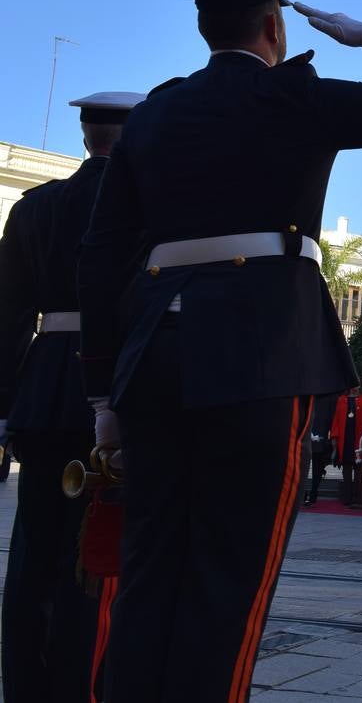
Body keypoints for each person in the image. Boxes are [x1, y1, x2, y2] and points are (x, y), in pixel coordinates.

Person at [75, 0, 362, 701]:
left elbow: (100, 259)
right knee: (232, 574)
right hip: (260, 352)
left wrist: (103, 395)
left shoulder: (156, 112)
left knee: (149, 567)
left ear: (206, 29)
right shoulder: (300, 97)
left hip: (152, 355)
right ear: (277, 27)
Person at [0, 91, 141, 703]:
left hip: (43, 386)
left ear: (86, 136)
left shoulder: (35, 207)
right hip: (114, 384)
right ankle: (84, 683)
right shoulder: (143, 206)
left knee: (34, 550)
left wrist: (6, 405)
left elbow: (8, 317)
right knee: (102, 551)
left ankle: (26, 684)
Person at [331, 386, 362, 507]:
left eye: (357, 385)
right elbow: (336, 419)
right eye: (353, 385)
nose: (355, 388)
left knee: (360, 469)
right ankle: (347, 497)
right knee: (347, 469)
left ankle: (359, 496)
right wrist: (334, 437)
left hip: (360, 439)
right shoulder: (341, 399)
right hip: (345, 440)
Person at [304, 393, 337, 507]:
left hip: (321, 434)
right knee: (302, 467)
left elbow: (333, 417)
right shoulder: (305, 394)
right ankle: (303, 495)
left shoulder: (330, 396)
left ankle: (313, 495)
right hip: (305, 434)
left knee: (317, 467)